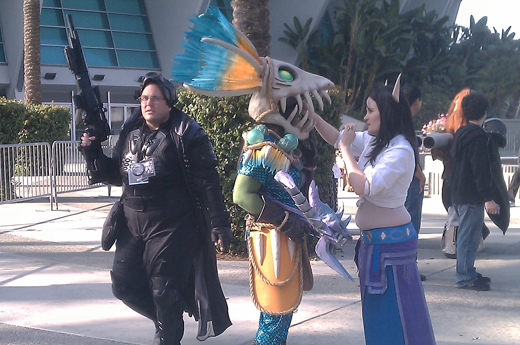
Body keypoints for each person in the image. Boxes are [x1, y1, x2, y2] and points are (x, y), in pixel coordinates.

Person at [79, 72, 232, 344]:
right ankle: (167, 320)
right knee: (123, 285)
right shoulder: (130, 132)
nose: (148, 103)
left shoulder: (187, 134)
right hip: (131, 219)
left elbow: (208, 183)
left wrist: (220, 223)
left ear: (169, 103)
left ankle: (168, 333)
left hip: (171, 223)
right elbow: (117, 174)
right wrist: (92, 153)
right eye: (144, 98)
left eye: (155, 98)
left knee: (164, 290)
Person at [310, 80, 436, 345]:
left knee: (397, 318)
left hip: (391, 249)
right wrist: (311, 116)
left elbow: (363, 186)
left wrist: (345, 149)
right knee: (379, 319)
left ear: (386, 113)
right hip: (376, 246)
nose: (365, 117)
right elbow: (336, 136)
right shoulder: (379, 140)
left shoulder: (400, 150)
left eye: (370, 110)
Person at [233, 97, 316, 345]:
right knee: (275, 313)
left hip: (286, 238)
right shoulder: (265, 147)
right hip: (272, 239)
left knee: (280, 315)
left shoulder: (285, 146)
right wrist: (284, 219)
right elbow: (241, 195)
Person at [450, 91, 499, 291]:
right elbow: (480, 169)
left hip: (459, 192)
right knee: (468, 237)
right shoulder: (478, 137)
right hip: (471, 195)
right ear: (485, 112)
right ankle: (464, 276)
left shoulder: (461, 133)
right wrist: (488, 198)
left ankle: (468, 271)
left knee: (468, 236)